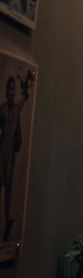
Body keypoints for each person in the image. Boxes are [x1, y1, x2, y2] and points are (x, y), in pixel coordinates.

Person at [0, 75, 30, 242]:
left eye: (13, 89)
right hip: (1, 154)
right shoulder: (3, 110)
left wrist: (24, 86)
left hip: (10, 156)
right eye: (9, 89)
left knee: (9, 191)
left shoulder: (15, 110)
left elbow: (26, 98)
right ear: (6, 91)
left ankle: (6, 226)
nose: (11, 92)